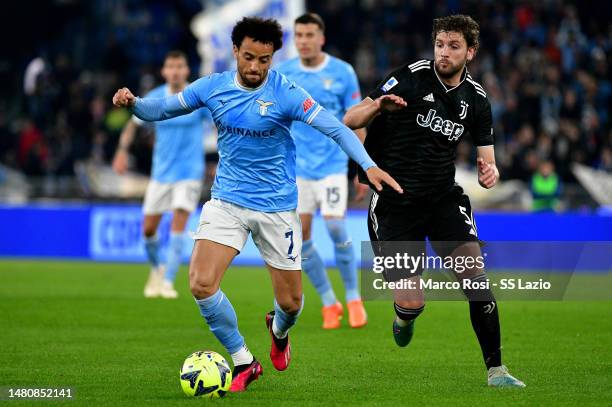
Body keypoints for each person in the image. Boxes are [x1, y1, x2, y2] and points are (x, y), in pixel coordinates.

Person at [112, 17, 401, 392]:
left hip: (277, 208)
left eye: (264, 60)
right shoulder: (213, 87)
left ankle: (278, 332)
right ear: (235, 51)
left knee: (292, 304)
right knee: (201, 283)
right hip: (227, 201)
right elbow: (162, 109)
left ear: (272, 58)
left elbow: (335, 127)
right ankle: (244, 361)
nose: (254, 67)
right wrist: (133, 103)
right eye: (248, 57)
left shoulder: (287, 93)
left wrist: (368, 165)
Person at [344, 14, 525, 388]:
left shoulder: (476, 100)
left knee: (476, 281)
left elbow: (489, 163)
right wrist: (379, 106)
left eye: (453, 46)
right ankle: (404, 318)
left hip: (443, 198)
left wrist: (490, 174)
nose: (443, 53)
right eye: (440, 44)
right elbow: (351, 118)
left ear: (470, 52)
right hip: (394, 201)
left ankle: (497, 370)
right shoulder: (410, 76)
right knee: (412, 302)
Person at [276, 13, 368, 330]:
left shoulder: (342, 72)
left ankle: (354, 297)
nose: (303, 41)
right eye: (298, 35)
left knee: (336, 228)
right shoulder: (284, 73)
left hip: (332, 166)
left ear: (321, 38)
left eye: (309, 35)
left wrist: (361, 169)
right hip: (297, 171)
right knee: (300, 240)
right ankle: (330, 301)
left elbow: (356, 120)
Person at [112, 51, 211, 299]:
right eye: (171, 66)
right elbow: (132, 126)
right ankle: (158, 269)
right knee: (148, 230)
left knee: (179, 226)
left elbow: (220, 123)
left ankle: (167, 282)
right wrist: (122, 151)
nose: (176, 71)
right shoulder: (155, 97)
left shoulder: (196, 96)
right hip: (161, 173)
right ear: (164, 71)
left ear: (187, 70)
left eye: (180, 66)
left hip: (189, 172)